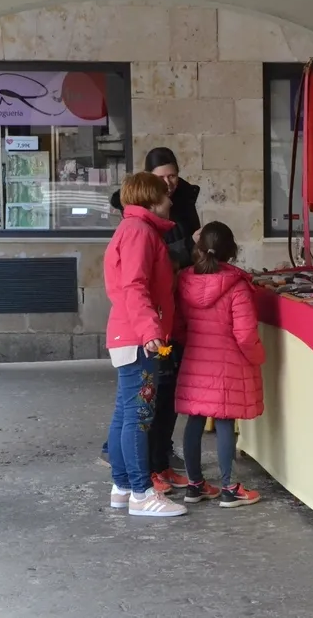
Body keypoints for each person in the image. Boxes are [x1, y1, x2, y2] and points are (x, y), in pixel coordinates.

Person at [102, 147, 202, 494]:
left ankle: (123, 487)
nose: (171, 199)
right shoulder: (139, 233)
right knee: (138, 416)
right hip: (140, 338)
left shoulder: (139, 230)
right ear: (152, 199)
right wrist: (150, 333)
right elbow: (134, 286)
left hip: (137, 334)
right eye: (164, 193)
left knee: (127, 413)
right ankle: (141, 492)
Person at [173, 222, 265, 508]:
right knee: (225, 421)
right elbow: (246, 334)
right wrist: (258, 357)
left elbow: (179, 324)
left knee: (195, 419)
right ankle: (229, 488)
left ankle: (194, 484)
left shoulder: (184, 280)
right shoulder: (237, 286)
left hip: (194, 361)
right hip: (227, 363)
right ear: (232, 250)